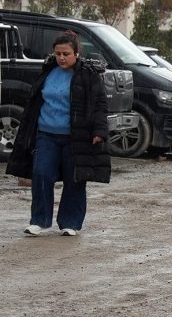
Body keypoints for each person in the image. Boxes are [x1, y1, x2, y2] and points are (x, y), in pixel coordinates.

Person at [6, 31, 111, 236]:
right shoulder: (48, 71)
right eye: (58, 53)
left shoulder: (88, 75)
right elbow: (36, 101)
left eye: (66, 53)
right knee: (41, 174)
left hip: (76, 136)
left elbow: (100, 104)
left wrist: (99, 131)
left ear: (76, 53)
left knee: (74, 179)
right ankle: (39, 220)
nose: (61, 58)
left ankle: (70, 223)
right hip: (46, 134)